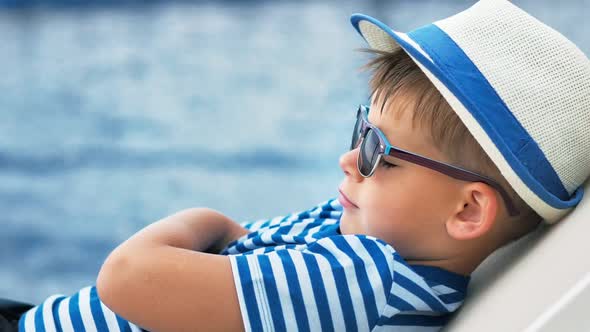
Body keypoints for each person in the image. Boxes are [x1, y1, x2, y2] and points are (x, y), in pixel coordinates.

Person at [16, 0, 590, 331]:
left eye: (376, 150)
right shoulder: (375, 232)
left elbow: (125, 279)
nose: (349, 159)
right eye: (360, 127)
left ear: (467, 211)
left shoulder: (371, 279)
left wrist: (205, 221)